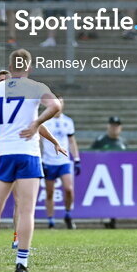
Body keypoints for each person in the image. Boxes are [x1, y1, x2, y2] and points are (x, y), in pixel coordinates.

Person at [0, 48, 62, 272]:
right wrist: (36, 124)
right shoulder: (36, 87)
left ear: (10, 65)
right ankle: (22, 264)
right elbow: (55, 106)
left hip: (4, 153)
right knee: (26, 211)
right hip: (28, 154)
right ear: (28, 67)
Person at [0, 32, 66, 250]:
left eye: (5, 80)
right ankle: (2, 245)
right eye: (0, 81)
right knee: (0, 205)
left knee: (18, 200)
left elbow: (36, 123)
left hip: (11, 150)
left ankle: (16, 239)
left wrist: (53, 140)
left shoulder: (14, 96)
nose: (2, 83)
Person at [41, 98, 80, 230]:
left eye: (61, 102)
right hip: (48, 161)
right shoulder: (45, 121)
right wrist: (40, 159)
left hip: (64, 161)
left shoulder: (68, 122)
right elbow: (39, 141)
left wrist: (77, 158)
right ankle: (51, 221)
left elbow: (71, 141)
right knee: (50, 192)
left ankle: (68, 214)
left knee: (69, 189)